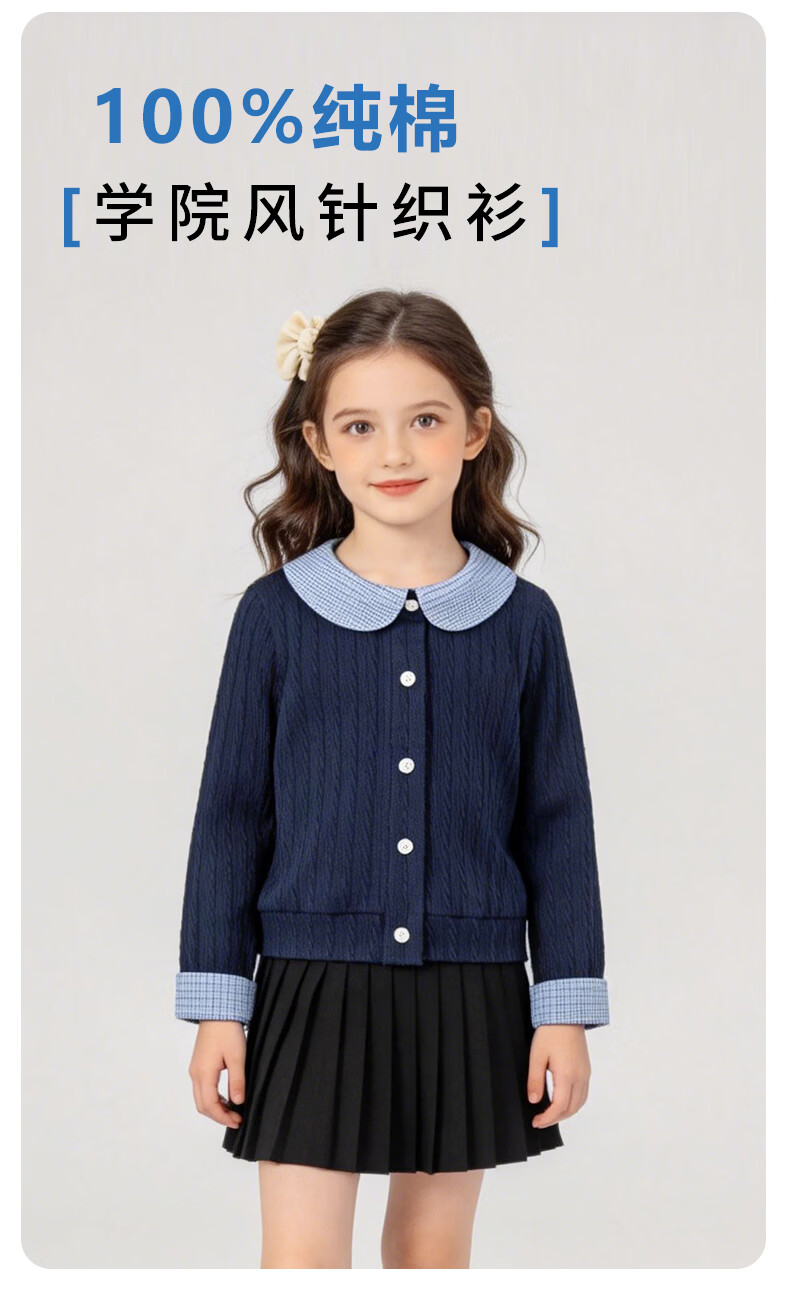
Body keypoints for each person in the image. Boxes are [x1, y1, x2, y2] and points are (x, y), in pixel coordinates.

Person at [175, 289, 610, 1269]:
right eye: (361, 426)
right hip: (308, 985)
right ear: (318, 443)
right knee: (300, 1260)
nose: (395, 453)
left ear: (475, 431)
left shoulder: (523, 621)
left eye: (425, 419)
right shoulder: (274, 617)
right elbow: (230, 819)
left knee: (430, 1255)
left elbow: (557, 823)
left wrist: (564, 1009)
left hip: (473, 988)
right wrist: (218, 1007)